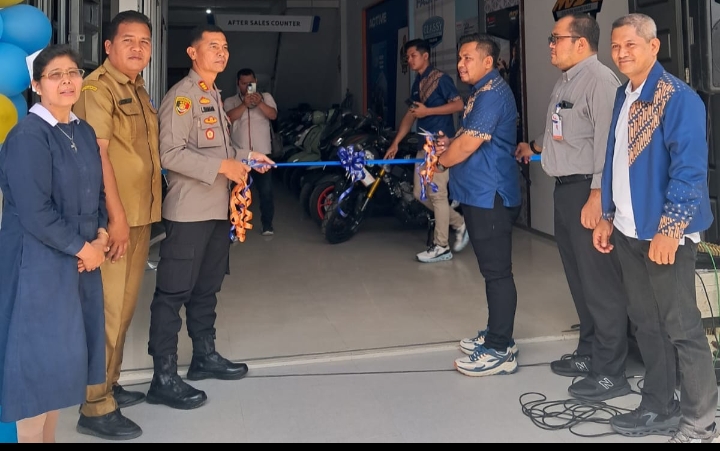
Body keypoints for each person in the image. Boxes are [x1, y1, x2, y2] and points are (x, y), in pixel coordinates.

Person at [594, 13, 719, 443]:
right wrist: (607, 214)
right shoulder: (623, 94)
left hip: (665, 235)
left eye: (630, 44)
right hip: (629, 230)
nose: (621, 53)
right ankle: (659, 405)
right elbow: (614, 159)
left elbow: (689, 169)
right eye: (615, 46)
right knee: (646, 322)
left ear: (653, 46)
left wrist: (670, 229)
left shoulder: (678, 98)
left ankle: (701, 423)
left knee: (681, 327)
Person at [146, 24, 274, 411]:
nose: (221, 52)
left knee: (207, 287)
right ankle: (163, 376)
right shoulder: (182, 97)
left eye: (225, 47)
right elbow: (170, 154)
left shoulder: (213, 95)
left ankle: (204, 356)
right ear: (192, 52)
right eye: (213, 46)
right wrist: (223, 167)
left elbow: (223, 150)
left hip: (218, 210)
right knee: (173, 292)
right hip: (189, 212)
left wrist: (248, 157)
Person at [514, 13, 631, 402]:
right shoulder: (568, 80)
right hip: (566, 191)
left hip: (587, 191)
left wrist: (597, 198)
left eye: (556, 38)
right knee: (579, 280)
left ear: (580, 43)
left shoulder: (599, 81)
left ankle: (611, 372)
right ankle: (590, 351)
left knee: (600, 283)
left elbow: (608, 146)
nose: (550, 45)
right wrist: (534, 146)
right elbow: (562, 132)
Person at [0, 44, 108, 443]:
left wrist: (100, 235)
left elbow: (96, 192)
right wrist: (86, 249)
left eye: (73, 73)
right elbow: (35, 212)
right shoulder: (29, 136)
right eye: (55, 75)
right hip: (38, 268)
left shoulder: (82, 130)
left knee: (61, 367)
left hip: (78, 262)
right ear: (36, 85)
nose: (66, 81)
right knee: (36, 371)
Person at [72, 10, 161, 440]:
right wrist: (117, 219)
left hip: (140, 216)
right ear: (108, 46)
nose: (138, 48)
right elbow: (98, 154)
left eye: (144, 41)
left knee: (123, 310)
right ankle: (95, 405)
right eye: (128, 40)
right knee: (107, 312)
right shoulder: (98, 88)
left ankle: (109, 382)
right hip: (114, 221)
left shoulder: (138, 89)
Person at [435, 33, 521, 377]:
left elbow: (470, 142)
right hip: (478, 195)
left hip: (491, 196)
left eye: (467, 58)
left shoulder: (492, 94)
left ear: (488, 61)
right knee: (490, 271)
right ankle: (497, 333)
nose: (460, 64)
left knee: (497, 273)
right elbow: (465, 135)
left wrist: (440, 161)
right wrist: (449, 143)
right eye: (459, 58)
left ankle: (500, 349)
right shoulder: (480, 92)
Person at [384, 38, 468, 263]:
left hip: (440, 145)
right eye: (407, 57)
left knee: (437, 195)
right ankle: (459, 223)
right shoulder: (417, 84)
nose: (409, 60)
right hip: (424, 147)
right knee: (419, 194)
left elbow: (458, 104)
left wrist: (428, 111)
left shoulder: (441, 79)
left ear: (425, 56)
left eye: (413, 55)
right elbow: (410, 115)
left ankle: (441, 246)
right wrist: (395, 142)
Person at [224, 68, 278, 236]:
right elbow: (227, 118)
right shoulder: (230, 101)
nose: (248, 86)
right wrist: (244, 105)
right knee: (238, 193)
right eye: (244, 83)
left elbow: (273, 115)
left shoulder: (266, 97)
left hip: (262, 155)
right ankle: (236, 227)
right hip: (239, 156)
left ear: (256, 82)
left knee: (266, 191)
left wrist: (259, 103)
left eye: (251, 83)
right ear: (238, 83)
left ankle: (267, 225)